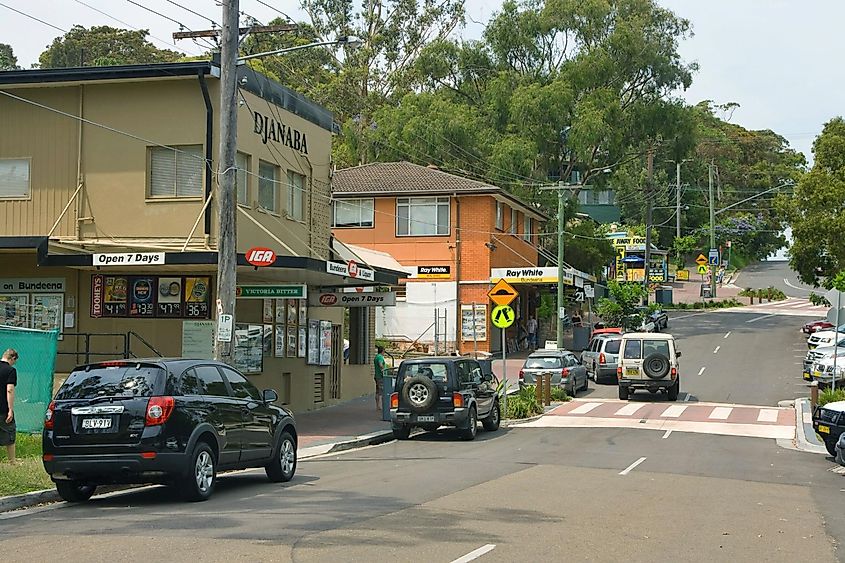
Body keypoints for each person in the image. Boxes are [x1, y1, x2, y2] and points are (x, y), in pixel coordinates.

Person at [0, 348, 19, 464]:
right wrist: (10, 410)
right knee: (9, 433)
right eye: (14, 361)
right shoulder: (11, 370)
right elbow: (10, 390)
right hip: (3, 408)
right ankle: (12, 461)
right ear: (12, 358)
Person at [373, 346, 387, 412]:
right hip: (380, 376)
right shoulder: (380, 357)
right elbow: (381, 364)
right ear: (383, 351)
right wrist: (383, 370)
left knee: (378, 391)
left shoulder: (376, 356)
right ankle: (384, 406)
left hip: (376, 375)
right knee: (383, 391)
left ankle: (377, 406)